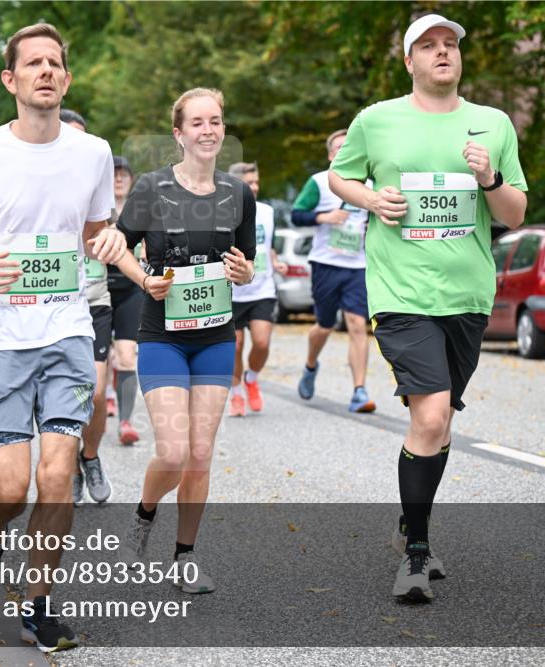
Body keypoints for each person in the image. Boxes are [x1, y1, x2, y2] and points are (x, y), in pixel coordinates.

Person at [0, 23, 125, 653]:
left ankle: (38, 607)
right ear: (10, 80)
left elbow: (97, 228)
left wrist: (112, 243)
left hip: (68, 330)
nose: (45, 71)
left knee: (56, 475)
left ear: (65, 79)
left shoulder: (93, 152)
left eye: (55, 63)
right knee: (10, 488)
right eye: (33, 63)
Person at [329, 14, 528, 602]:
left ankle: (408, 525)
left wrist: (490, 178)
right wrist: (371, 197)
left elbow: (515, 214)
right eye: (429, 46)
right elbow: (343, 179)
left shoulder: (492, 124)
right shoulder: (376, 120)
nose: (443, 53)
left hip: (468, 296)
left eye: (451, 45)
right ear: (409, 61)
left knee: (437, 425)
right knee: (433, 415)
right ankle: (416, 554)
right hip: (402, 293)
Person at [113, 87, 256, 594]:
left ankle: (185, 558)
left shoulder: (238, 194)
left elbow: (247, 262)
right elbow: (118, 246)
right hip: (163, 337)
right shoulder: (152, 188)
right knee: (172, 453)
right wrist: (144, 279)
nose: (208, 130)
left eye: (215, 120)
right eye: (197, 122)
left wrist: (243, 271)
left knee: (200, 455)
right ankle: (143, 517)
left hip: (216, 337)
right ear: (178, 134)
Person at [293, 129, 377, 413]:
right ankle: (310, 364)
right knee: (324, 326)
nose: (344, 151)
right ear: (330, 155)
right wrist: (324, 217)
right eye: (339, 148)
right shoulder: (318, 181)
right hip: (326, 264)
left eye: (349, 147)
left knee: (357, 323)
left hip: (357, 265)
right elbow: (296, 214)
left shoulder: (369, 184)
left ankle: (359, 391)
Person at [60, 109, 114, 506]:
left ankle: (90, 456)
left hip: (95, 302)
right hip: (52, 306)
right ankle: (71, 466)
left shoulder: (97, 182)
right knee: (58, 400)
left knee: (94, 394)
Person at [228, 162, 287, 415]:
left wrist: (275, 260)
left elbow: (266, 244)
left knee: (261, 342)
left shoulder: (266, 211)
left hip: (262, 289)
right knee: (236, 345)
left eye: (256, 182)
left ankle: (252, 377)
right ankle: (236, 391)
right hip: (232, 292)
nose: (254, 187)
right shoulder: (222, 212)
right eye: (248, 183)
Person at [106, 155, 142, 443]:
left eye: (124, 174)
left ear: (131, 179)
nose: (118, 178)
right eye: (113, 174)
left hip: (131, 289)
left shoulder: (141, 210)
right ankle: (104, 394)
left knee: (127, 356)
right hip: (98, 289)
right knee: (104, 358)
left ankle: (126, 421)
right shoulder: (95, 208)